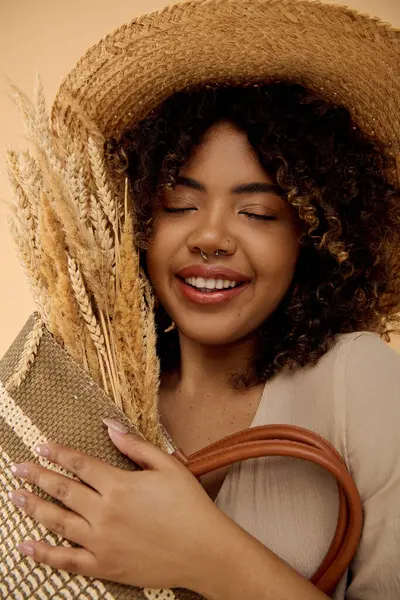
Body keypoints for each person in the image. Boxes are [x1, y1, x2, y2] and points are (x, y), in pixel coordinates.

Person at [2, 1, 400, 599]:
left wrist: (203, 554)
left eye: (258, 211)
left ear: (313, 235)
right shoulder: (83, 388)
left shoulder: (360, 380)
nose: (210, 237)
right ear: (137, 220)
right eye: (179, 205)